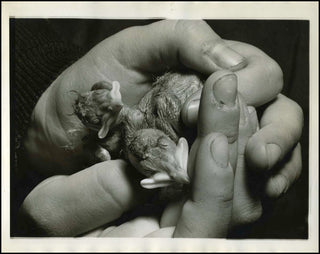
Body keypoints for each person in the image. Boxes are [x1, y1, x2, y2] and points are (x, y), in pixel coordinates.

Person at [14, 20, 303, 237]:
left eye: (104, 98)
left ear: (111, 89)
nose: (107, 105)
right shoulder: (112, 141)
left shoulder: (146, 105)